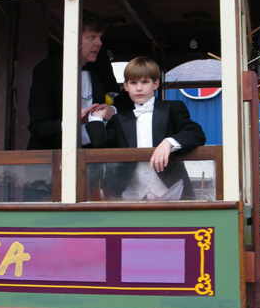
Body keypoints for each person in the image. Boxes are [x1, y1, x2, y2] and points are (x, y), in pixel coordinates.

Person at [86, 56, 206, 200]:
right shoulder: (119, 119)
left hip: (173, 191)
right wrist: (96, 119)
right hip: (132, 195)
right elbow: (101, 144)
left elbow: (196, 133)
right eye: (133, 82)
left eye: (144, 82)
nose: (139, 88)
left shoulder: (173, 108)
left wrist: (168, 143)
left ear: (155, 84)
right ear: (126, 86)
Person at [27, 13, 128, 149]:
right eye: (91, 37)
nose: (99, 43)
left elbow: (120, 101)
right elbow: (38, 127)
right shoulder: (46, 69)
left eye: (99, 37)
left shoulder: (101, 63)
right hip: (53, 153)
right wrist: (72, 122)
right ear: (72, 38)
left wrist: (112, 109)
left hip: (94, 152)